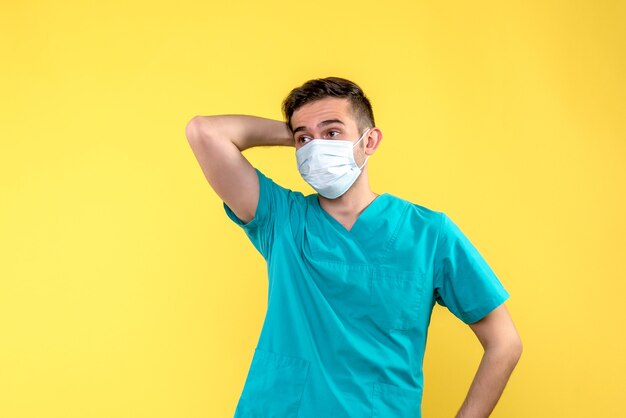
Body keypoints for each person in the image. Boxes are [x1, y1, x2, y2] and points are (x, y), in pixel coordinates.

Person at [185, 77, 522, 418]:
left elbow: (504, 343)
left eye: (332, 133)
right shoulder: (282, 219)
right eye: (305, 139)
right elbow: (203, 132)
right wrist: (297, 135)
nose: (316, 147)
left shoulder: (429, 234)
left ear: (369, 140)